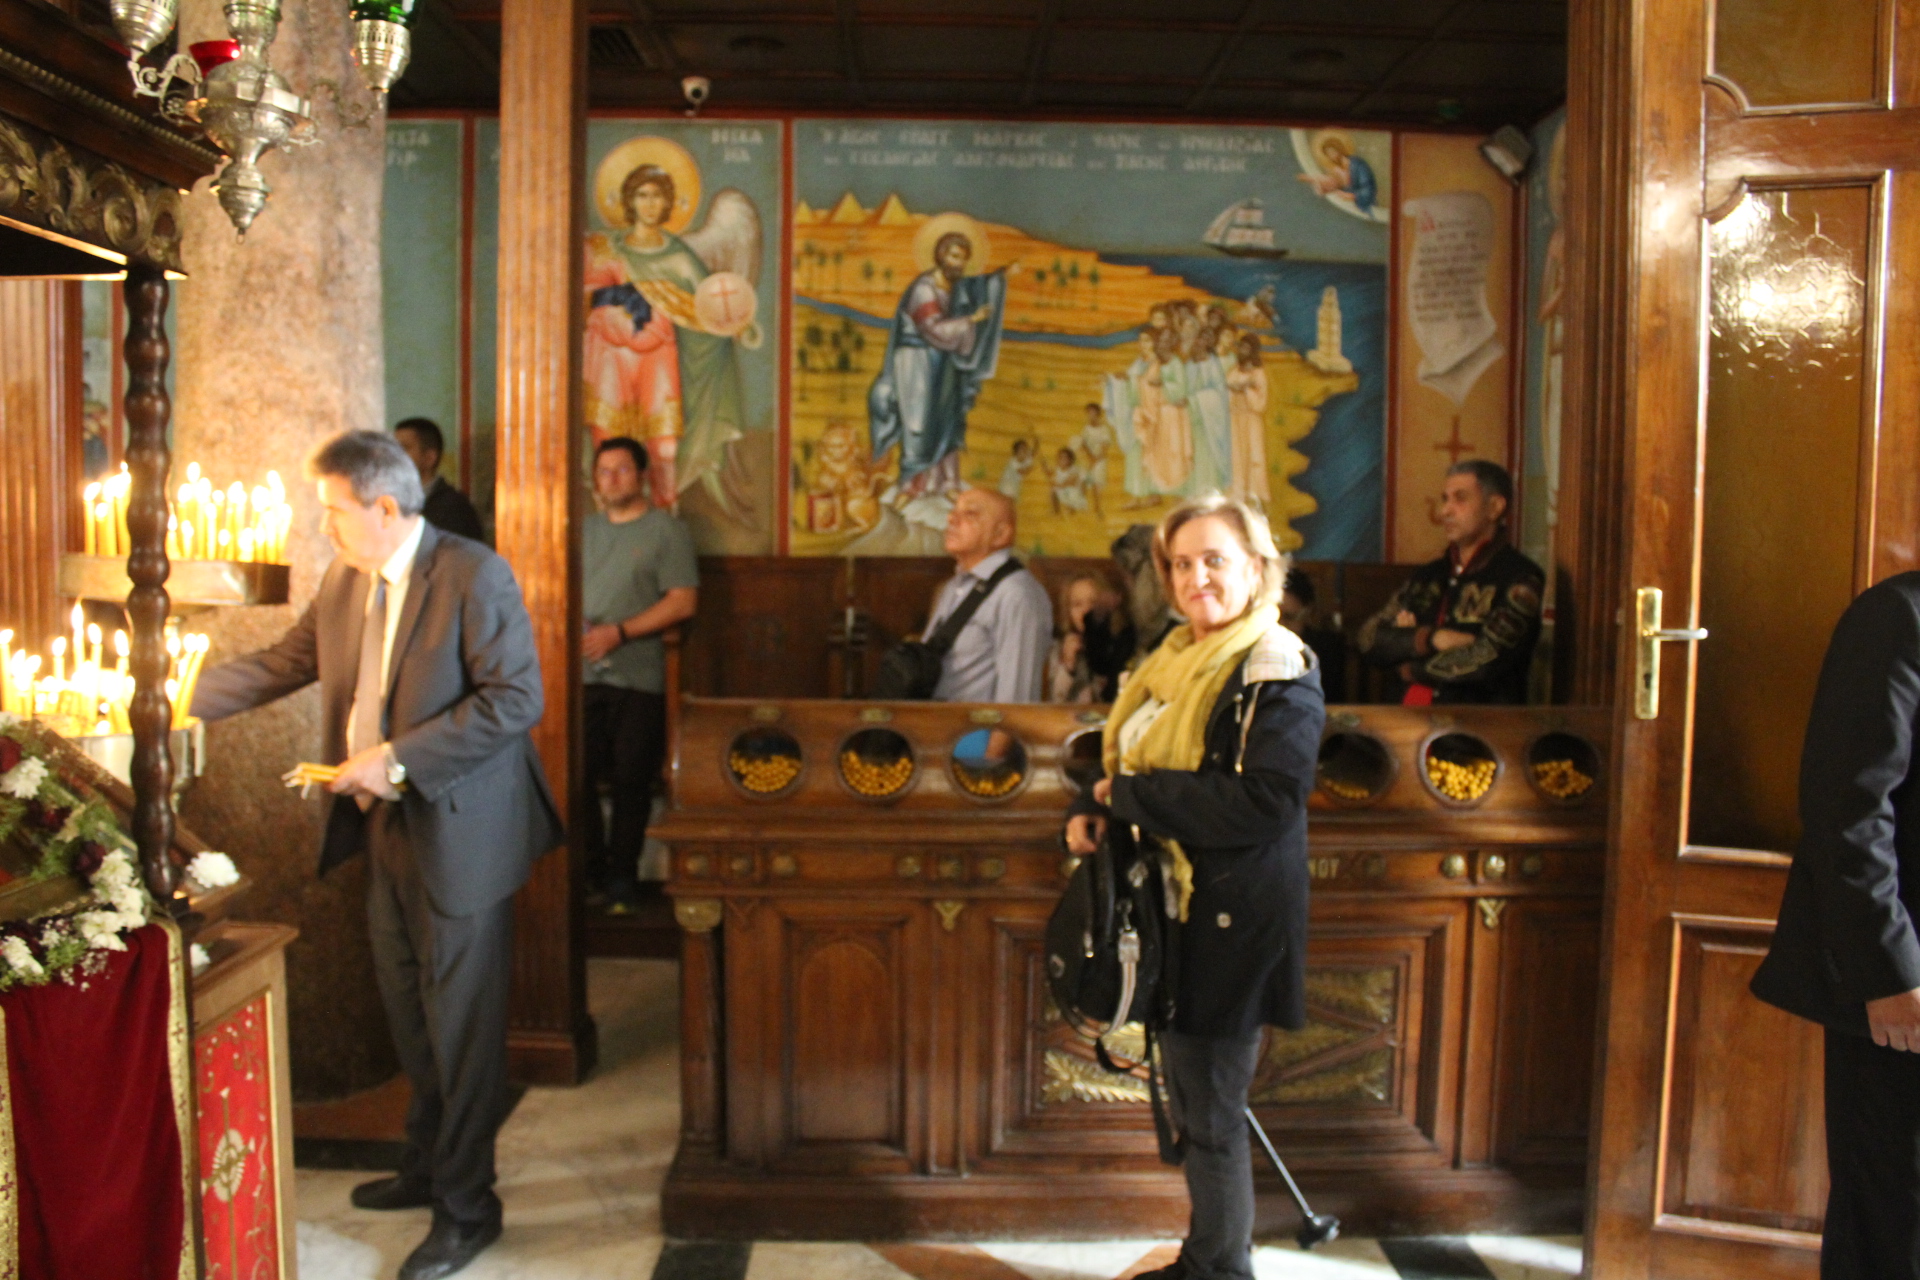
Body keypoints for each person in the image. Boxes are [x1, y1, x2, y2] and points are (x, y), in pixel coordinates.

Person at [191, 431, 560, 1280]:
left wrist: (394, 761)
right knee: (410, 1013)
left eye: (333, 511)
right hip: (384, 830)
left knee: (462, 1031)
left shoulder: (472, 574)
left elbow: (516, 700)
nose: (324, 528)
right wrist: (163, 697)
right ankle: (426, 1165)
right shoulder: (346, 577)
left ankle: (468, 1209)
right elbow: (284, 663)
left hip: (461, 833)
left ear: (385, 507)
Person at [1064, 493, 1325, 1280]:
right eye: (1181, 563)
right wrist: (1093, 806)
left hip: (1232, 918)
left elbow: (1267, 801)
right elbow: (1127, 757)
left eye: (1215, 560)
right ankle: (1207, 1259)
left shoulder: (1275, 664)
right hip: (1174, 910)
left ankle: (1219, 1271)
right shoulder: (1171, 656)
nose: (1195, 577)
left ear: (1257, 567)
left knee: (1211, 1111)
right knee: (1197, 1103)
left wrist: (1128, 798)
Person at [1751, 576, 1920, 1278]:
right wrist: (1889, 971)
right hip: (1905, 988)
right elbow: (1847, 812)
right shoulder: (1896, 618)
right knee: (1896, 1229)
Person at [584, 163, 752, 511]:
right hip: (611, 358)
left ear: (668, 203)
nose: (649, 204)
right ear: (629, 200)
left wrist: (732, 323)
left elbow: (705, 307)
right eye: (642, 195)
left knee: (663, 446)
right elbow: (587, 296)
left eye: (657, 196)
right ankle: (608, 515)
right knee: (609, 441)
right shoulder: (605, 248)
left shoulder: (679, 258)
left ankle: (664, 512)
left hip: (658, 358)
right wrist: (615, 310)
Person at [581, 437, 699, 914]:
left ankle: (622, 879)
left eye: (622, 470)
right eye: (603, 471)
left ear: (643, 476)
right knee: (575, 776)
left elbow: (682, 601)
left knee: (632, 778)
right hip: (581, 674)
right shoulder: (583, 530)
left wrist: (620, 632)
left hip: (640, 674)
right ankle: (590, 873)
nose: (611, 479)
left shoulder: (666, 531)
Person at [1355, 459, 1544, 705]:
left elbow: (1486, 660)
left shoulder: (1520, 577)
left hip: (1476, 722)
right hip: (1404, 717)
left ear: (1494, 507)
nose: (1445, 511)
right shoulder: (1427, 576)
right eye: (1445, 499)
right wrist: (1431, 638)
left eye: (1460, 498)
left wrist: (1408, 665)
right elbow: (1368, 639)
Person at [869, 227, 1012, 503]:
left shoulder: (954, 286)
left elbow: (977, 286)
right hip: (915, 362)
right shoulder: (924, 289)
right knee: (919, 423)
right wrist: (971, 320)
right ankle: (911, 486)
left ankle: (947, 482)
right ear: (940, 255)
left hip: (943, 362)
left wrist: (998, 279)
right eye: (954, 256)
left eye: (964, 259)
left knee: (947, 418)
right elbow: (932, 329)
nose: (959, 264)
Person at [926, 487, 1050, 703]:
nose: (951, 519)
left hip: (976, 725)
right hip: (936, 721)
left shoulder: (1016, 594)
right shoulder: (952, 587)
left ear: (1000, 534)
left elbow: (1017, 700)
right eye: (953, 511)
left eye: (970, 514)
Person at [393, 417, 486, 544]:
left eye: (404, 448)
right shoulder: (392, 501)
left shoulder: (453, 508)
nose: (394, 455)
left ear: (429, 458)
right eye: (393, 448)